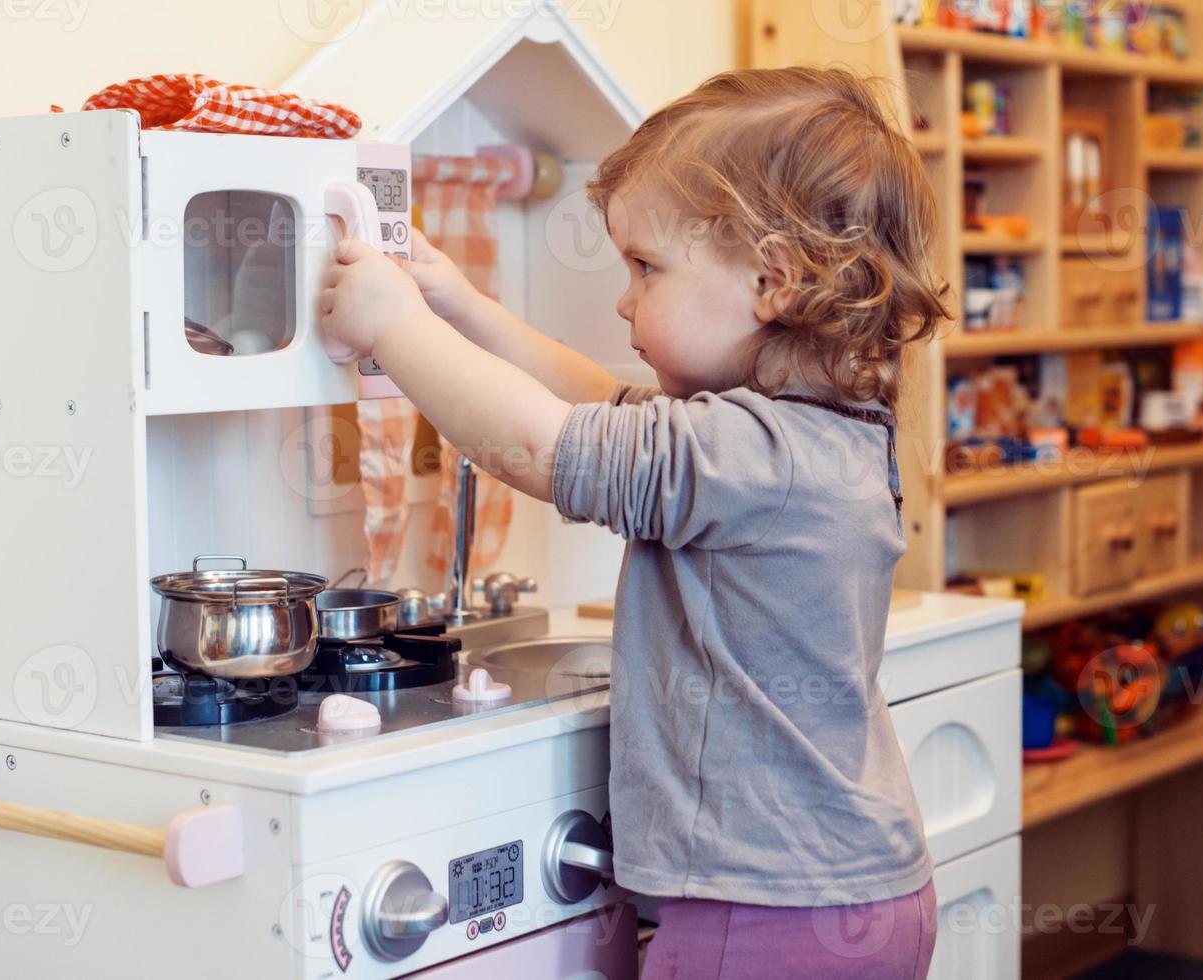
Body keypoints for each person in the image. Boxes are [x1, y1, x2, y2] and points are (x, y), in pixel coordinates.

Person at [319, 65, 950, 979]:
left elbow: (541, 446)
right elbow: (596, 406)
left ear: (770, 279)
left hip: (768, 908)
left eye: (645, 267)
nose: (624, 299)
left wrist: (393, 326)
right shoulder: (813, 437)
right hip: (850, 892)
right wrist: (463, 307)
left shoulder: (751, 457)